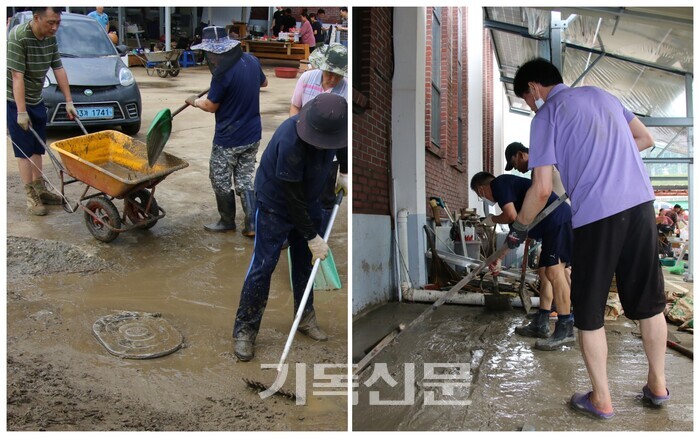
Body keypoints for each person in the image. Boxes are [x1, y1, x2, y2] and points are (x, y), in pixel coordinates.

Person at [511, 58, 667, 419]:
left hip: (598, 214)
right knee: (649, 302)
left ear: (534, 88)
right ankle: (658, 385)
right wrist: (607, 160)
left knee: (590, 310)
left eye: (524, 98)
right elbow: (645, 138)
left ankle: (601, 399)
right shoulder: (604, 95)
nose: (527, 104)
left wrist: (520, 226)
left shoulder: (547, 116)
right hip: (641, 205)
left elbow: (541, 188)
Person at [232, 93, 348, 361]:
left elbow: (342, 144)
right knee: (264, 266)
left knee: (306, 263)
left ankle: (305, 318)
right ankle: (245, 330)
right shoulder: (290, 140)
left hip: (311, 199)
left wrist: (343, 172)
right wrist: (311, 236)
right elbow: (292, 198)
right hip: (277, 202)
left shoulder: (337, 129)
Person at [471, 172, 574, 351]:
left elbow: (511, 216)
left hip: (557, 221)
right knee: (544, 273)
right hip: (553, 225)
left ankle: (565, 327)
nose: (484, 198)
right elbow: (516, 233)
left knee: (554, 272)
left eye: (481, 196)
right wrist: (499, 259)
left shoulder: (499, 184)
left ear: (481, 189)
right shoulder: (511, 190)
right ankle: (542, 322)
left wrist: (492, 219)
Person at [186, 26, 268, 237]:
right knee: (245, 178)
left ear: (215, 52)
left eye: (210, 53)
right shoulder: (251, 60)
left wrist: (195, 101)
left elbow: (211, 106)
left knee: (220, 178)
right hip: (252, 134)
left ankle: (226, 221)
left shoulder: (222, 74)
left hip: (229, 138)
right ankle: (252, 224)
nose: (210, 57)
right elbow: (264, 82)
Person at [7, 6, 78, 216]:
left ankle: (41, 189)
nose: (55, 27)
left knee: (39, 148)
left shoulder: (50, 38)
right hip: (15, 100)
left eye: (58, 22)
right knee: (24, 150)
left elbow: (59, 68)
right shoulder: (18, 37)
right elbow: (17, 77)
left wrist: (68, 100)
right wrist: (21, 111)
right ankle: (31, 195)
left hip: (36, 98)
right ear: (36, 18)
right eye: (50, 23)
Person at [289, 43, 349, 231]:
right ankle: (292, 230)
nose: (332, 79)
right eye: (329, 73)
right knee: (295, 190)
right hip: (303, 142)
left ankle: (320, 232)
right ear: (322, 67)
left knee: (324, 197)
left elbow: (344, 129)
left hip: (327, 151)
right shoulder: (307, 78)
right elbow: (295, 107)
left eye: (338, 75)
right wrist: (296, 134)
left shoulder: (345, 89)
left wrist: (344, 172)